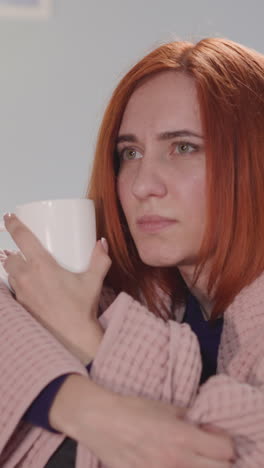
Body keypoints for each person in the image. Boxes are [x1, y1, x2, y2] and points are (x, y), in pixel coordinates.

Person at [0, 35, 264, 467]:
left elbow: (240, 449)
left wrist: (92, 343)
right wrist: (83, 406)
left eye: (183, 147)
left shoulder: (93, 320)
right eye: (131, 152)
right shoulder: (120, 299)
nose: (142, 185)